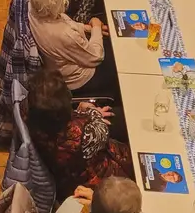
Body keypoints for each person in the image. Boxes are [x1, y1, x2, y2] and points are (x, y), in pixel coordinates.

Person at [24, 66, 131, 202]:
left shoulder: (32, 118)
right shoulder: (82, 136)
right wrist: (91, 111)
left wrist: (83, 111)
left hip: (63, 175)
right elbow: (103, 131)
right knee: (125, 121)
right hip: (96, 180)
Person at [27, 0, 117, 97]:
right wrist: (96, 26)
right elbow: (95, 57)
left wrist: (86, 28)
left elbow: (63, 21)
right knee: (119, 56)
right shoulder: (65, 35)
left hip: (56, 62)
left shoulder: (32, 9)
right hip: (79, 79)